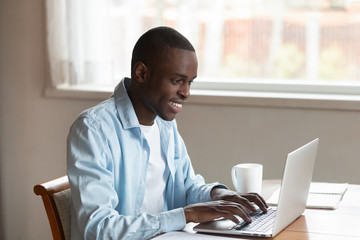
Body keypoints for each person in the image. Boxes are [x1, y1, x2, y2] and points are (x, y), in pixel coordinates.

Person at [67, 26, 268, 240]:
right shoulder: (92, 129)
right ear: (141, 73)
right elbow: (98, 228)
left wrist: (217, 194)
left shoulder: (165, 125)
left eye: (189, 82)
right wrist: (186, 215)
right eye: (177, 81)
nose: (186, 93)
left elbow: (187, 187)